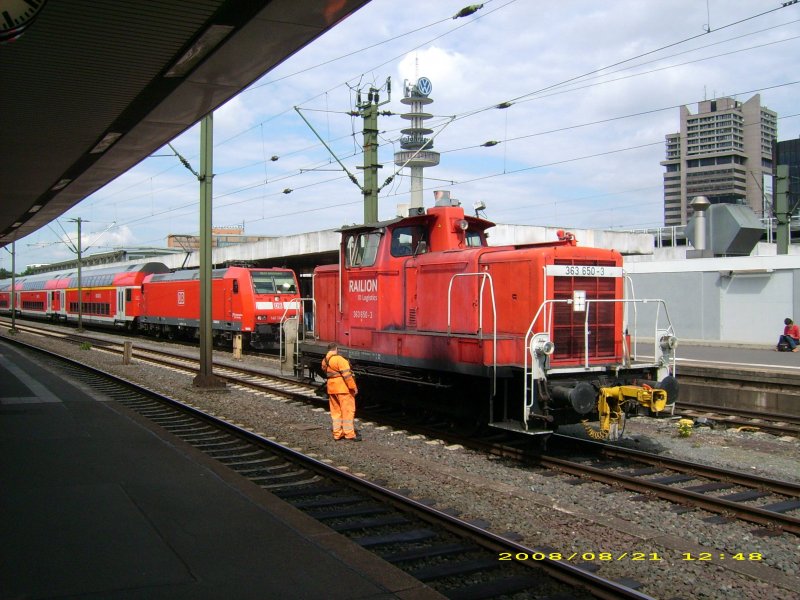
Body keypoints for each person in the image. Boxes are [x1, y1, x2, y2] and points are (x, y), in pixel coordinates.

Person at [321, 342, 361, 441]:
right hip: (343, 389)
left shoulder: (325, 360)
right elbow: (347, 376)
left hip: (331, 388)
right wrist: (353, 387)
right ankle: (349, 434)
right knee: (347, 411)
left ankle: (337, 434)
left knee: (336, 412)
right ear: (336, 349)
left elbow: (326, 371)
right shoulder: (340, 359)